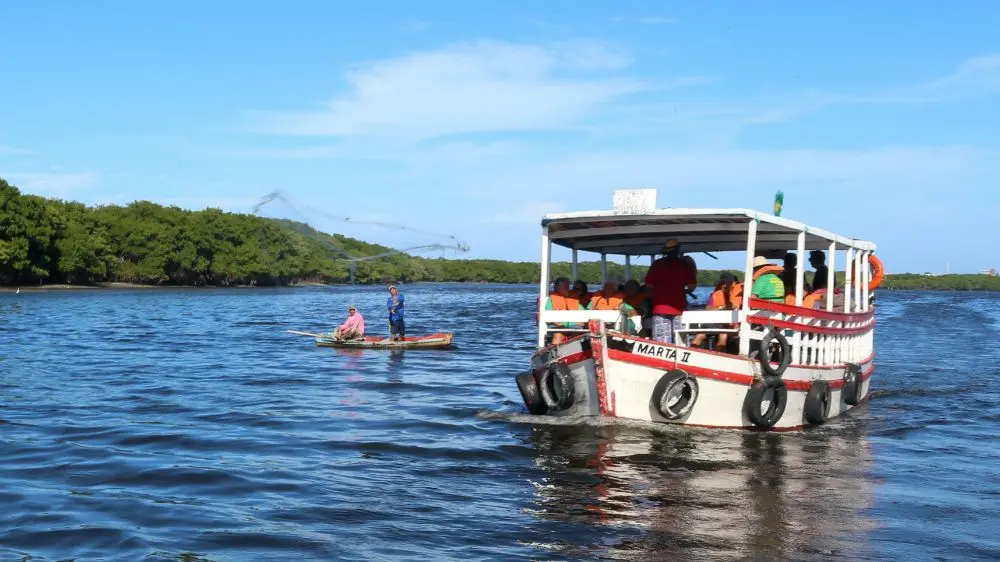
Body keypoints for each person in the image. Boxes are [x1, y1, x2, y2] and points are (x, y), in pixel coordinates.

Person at [644, 239, 697, 343]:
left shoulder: (656, 265)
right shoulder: (684, 266)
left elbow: (649, 286)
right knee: (680, 342)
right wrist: (681, 291)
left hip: (659, 308)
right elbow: (691, 287)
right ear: (678, 250)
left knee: (662, 343)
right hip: (679, 308)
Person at [692, 272, 743, 352]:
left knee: (723, 335)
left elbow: (736, 313)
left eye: (727, 283)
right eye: (722, 282)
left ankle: (718, 357)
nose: (724, 285)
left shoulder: (740, 294)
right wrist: (721, 307)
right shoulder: (715, 294)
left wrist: (734, 323)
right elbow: (707, 309)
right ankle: (691, 353)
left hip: (730, 325)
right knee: (700, 334)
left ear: (733, 283)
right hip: (715, 323)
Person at [545, 277, 583, 345]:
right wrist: (560, 325)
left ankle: (576, 353)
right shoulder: (551, 300)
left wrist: (580, 323)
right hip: (557, 326)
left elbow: (584, 314)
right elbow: (549, 316)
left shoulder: (573, 299)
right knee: (558, 335)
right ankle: (554, 354)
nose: (568, 288)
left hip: (574, 326)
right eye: (566, 287)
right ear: (558, 288)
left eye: (568, 286)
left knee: (577, 334)